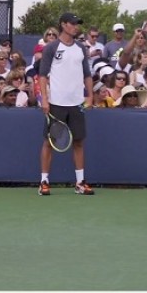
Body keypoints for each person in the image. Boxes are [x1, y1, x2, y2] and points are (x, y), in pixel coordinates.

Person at [37, 12, 94, 196]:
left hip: (77, 103)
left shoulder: (80, 48)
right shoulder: (51, 48)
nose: (76, 26)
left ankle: (80, 183)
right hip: (56, 102)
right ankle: (44, 182)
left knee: (78, 142)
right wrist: (45, 99)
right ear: (63, 25)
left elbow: (87, 75)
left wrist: (90, 96)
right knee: (48, 142)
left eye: (77, 24)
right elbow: (42, 76)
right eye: (73, 23)